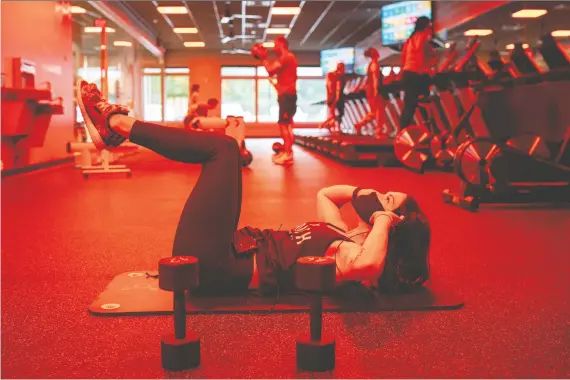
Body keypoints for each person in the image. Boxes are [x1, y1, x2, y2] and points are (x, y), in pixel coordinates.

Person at [76, 80, 431, 296]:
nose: (380, 197)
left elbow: (369, 266)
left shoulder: (349, 258)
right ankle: (116, 128)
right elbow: (326, 194)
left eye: (388, 200)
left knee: (224, 149)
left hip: (216, 265)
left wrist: (383, 218)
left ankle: (116, 124)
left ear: (393, 223)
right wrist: (363, 196)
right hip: (227, 248)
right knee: (226, 148)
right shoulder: (344, 235)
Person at [253, 37, 298, 165]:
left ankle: (288, 154)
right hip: (287, 95)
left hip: (287, 96)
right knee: (287, 124)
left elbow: (270, 70)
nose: (274, 48)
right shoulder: (286, 58)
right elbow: (273, 75)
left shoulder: (287, 57)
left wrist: (263, 58)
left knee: (283, 124)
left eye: (275, 45)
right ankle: (287, 152)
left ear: (282, 45)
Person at [399, 16, 438, 130]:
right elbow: (427, 58)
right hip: (417, 75)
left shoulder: (409, 40)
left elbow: (404, 58)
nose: (431, 28)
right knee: (424, 103)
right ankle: (428, 130)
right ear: (426, 26)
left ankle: (402, 131)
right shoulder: (424, 38)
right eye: (430, 26)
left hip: (408, 74)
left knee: (409, 107)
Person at [354, 48, 387, 138]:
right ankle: (379, 130)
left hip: (370, 90)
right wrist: (376, 90)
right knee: (379, 111)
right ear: (374, 54)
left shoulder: (371, 64)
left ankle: (359, 125)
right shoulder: (374, 64)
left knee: (373, 112)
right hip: (374, 90)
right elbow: (375, 78)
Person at [319, 63, 346, 134]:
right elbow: (338, 88)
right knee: (338, 114)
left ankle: (331, 126)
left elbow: (328, 87)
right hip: (336, 97)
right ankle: (327, 125)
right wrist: (336, 98)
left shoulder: (330, 75)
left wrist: (329, 98)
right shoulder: (338, 76)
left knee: (333, 114)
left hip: (331, 97)